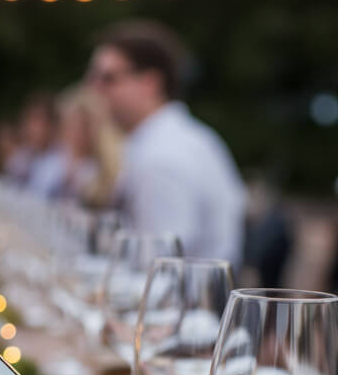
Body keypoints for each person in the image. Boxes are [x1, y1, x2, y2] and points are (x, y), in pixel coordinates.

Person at [87, 21, 246, 268]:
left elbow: (159, 269)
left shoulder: (161, 156)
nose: (94, 89)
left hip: (183, 292)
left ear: (150, 83)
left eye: (108, 78)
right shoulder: (182, 137)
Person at [52, 86, 124, 206]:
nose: (75, 133)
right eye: (71, 125)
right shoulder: (58, 160)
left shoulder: (107, 168)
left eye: (82, 127)